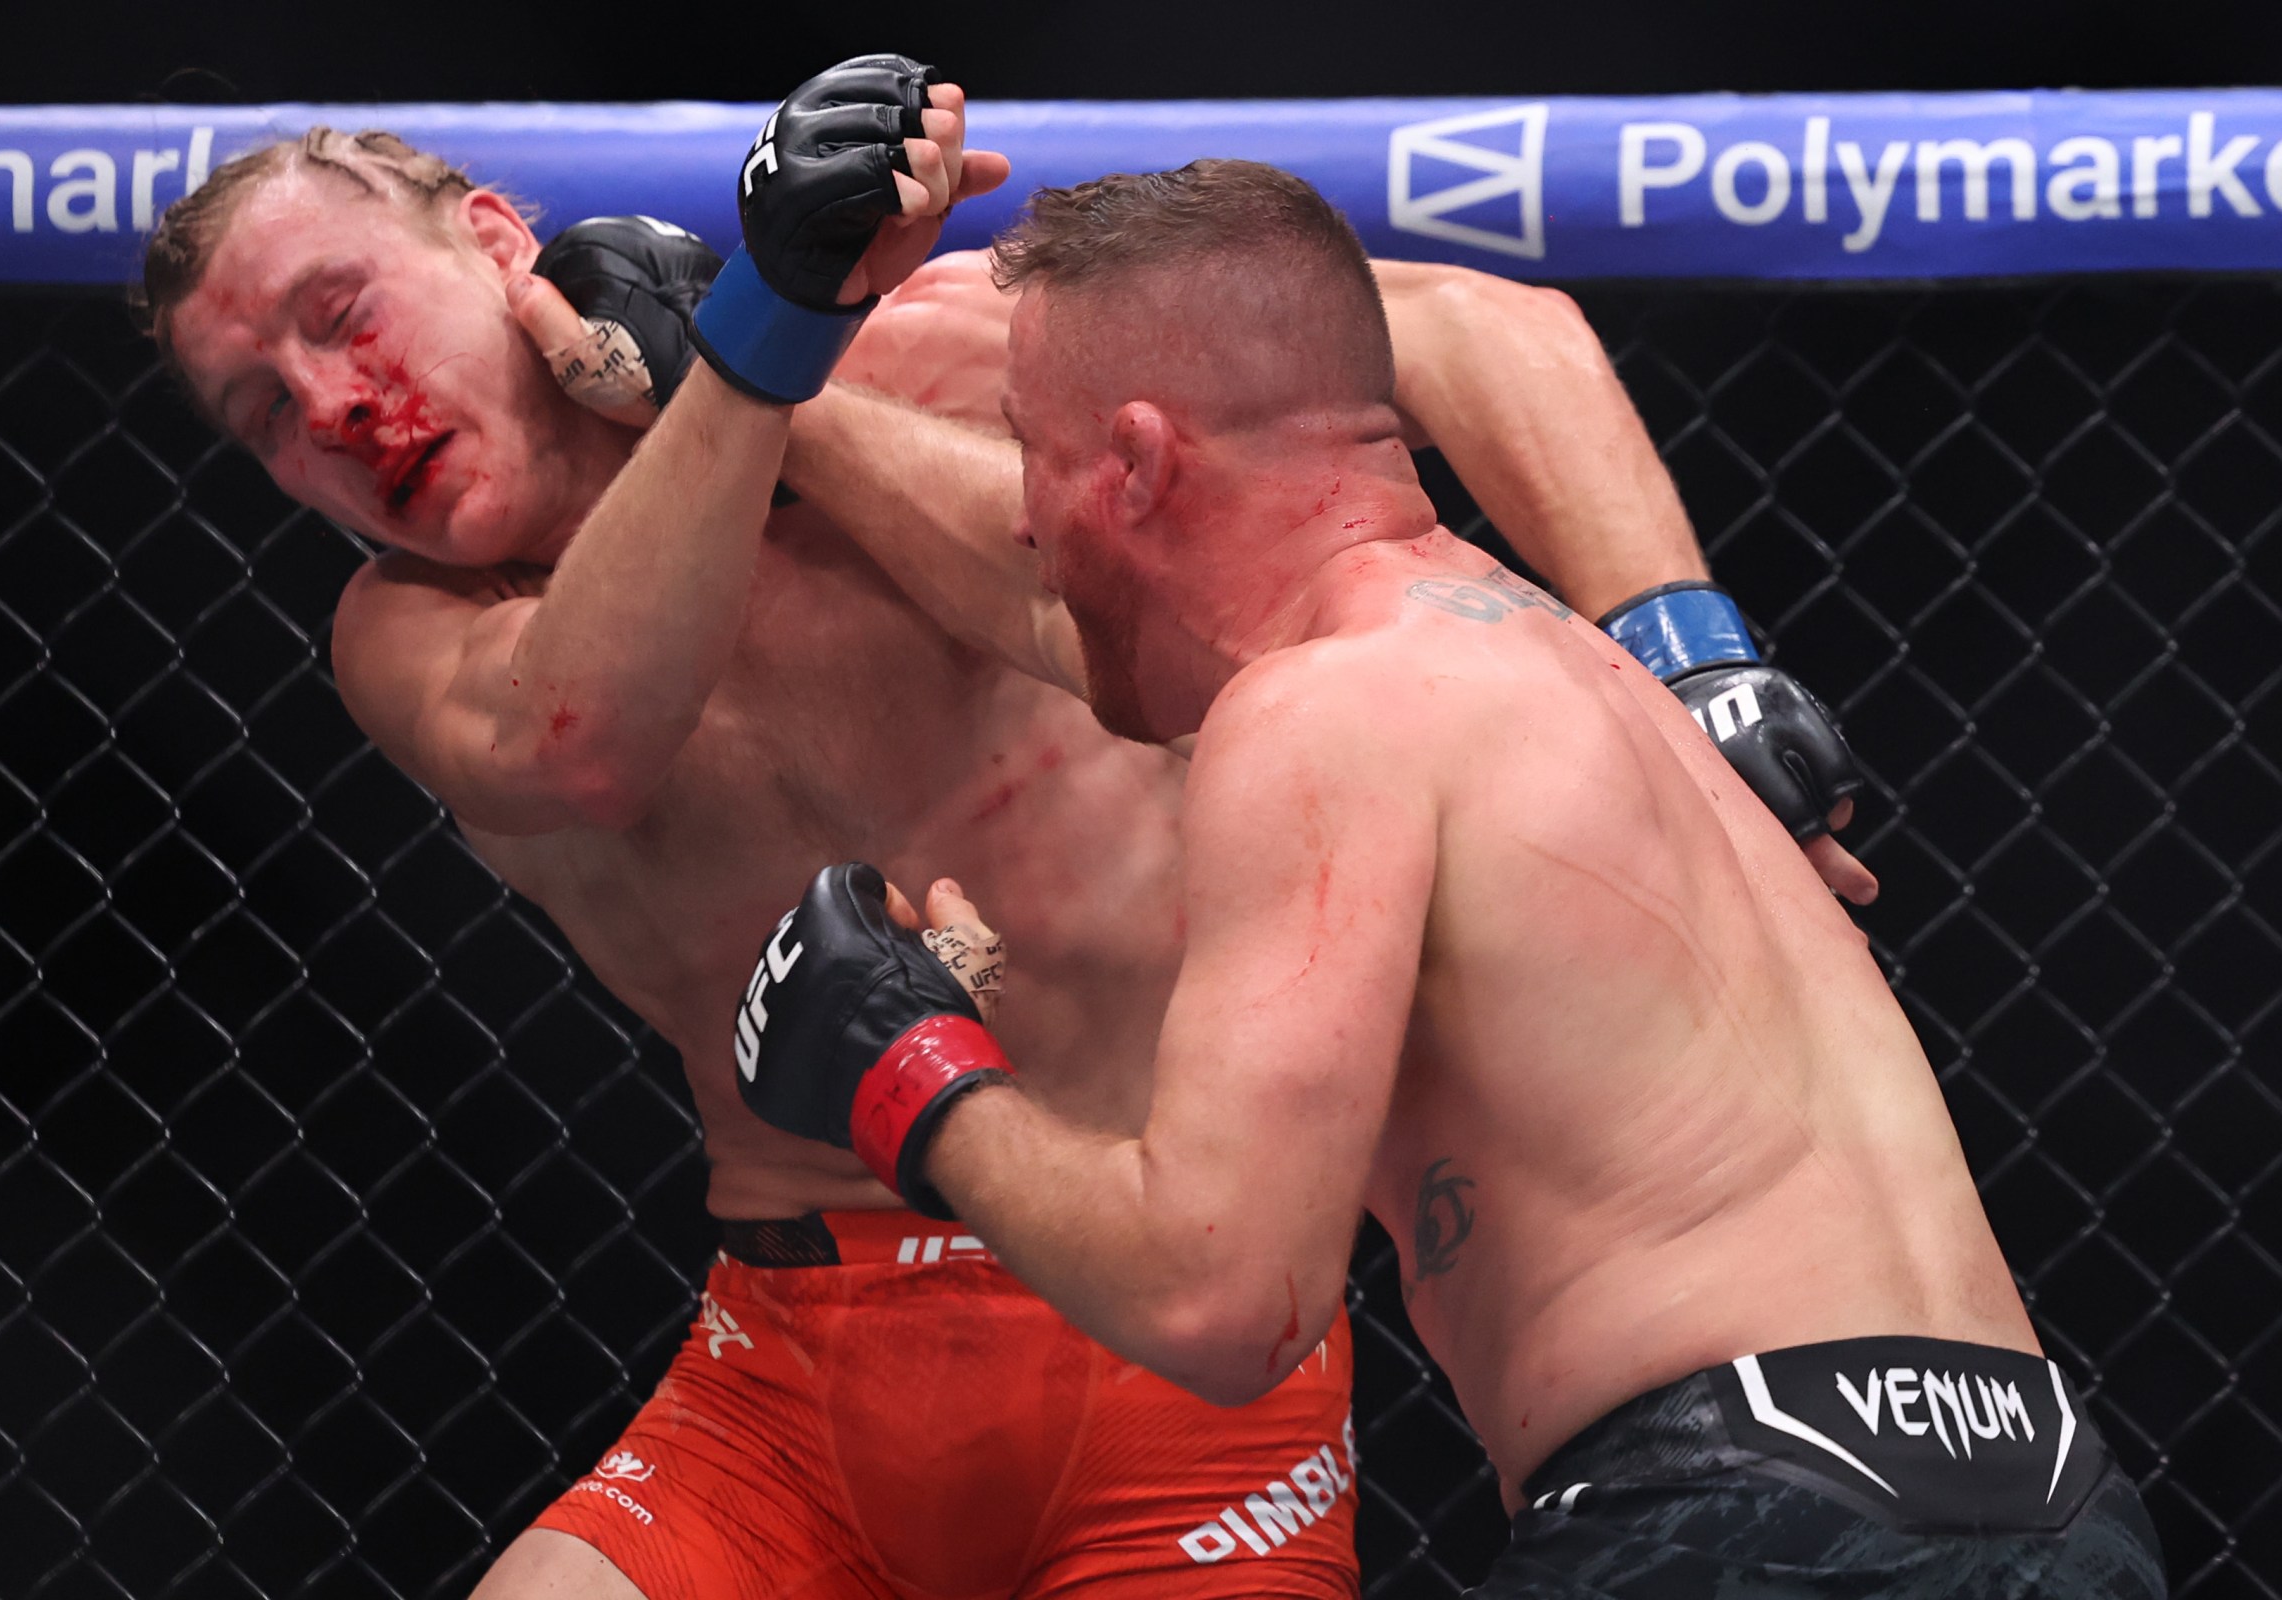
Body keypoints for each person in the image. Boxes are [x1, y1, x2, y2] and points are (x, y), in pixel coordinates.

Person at [144, 56, 1863, 1598]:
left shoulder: (921, 354)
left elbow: (1499, 338)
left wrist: (1696, 676)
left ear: (500, 243)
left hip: (1175, 1352)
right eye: (263, 415)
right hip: (791, 1377)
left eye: (339, 309)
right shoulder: (405, 634)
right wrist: (757, 343)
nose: (335, 407)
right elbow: (581, 737)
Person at [733, 160, 2167, 1598]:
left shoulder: (1320, 712)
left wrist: (907, 1070)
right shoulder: (1578, 669)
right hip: (2060, 1497)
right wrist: (754, 375)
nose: (1027, 521)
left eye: (1027, 451)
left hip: (1749, 1520)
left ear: (1140, 462)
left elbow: (1221, 1295)